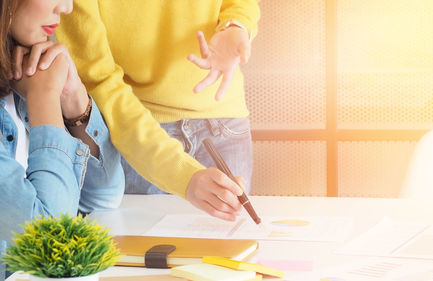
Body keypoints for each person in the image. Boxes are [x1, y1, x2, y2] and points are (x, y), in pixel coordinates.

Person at [53, 1, 260, 221]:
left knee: (230, 247)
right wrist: (183, 175)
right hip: (137, 133)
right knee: (141, 250)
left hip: (223, 125)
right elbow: (98, 80)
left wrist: (236, 25)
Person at [0, 0, 124, 279]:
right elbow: (49, 239)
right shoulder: (36, 86)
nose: (67, 8)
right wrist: (44, 97)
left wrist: (74, 98)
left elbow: (103, 198)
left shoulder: (25, 69)